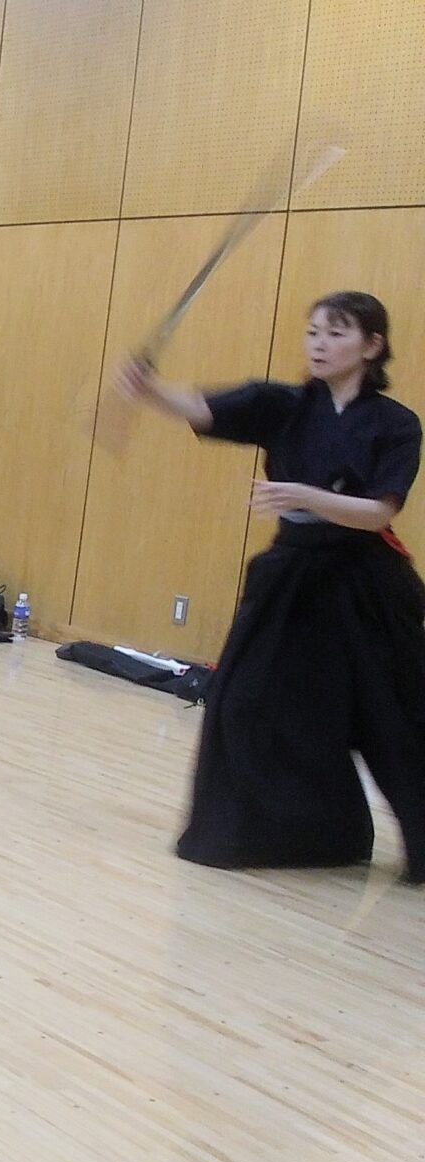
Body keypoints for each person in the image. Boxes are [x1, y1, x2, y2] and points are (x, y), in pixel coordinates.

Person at [115, 291, 425, 877]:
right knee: (243, 700)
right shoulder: (281, 404)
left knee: (398, 717)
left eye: (336, 333)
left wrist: (306, 495)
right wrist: (149, 389)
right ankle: (300, 837)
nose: (319, 344)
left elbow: (379, 513)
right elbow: (201, 407)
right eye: (313, 332)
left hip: (368, 584)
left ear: (372, 346)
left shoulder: (396, 423)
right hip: (291, 578)